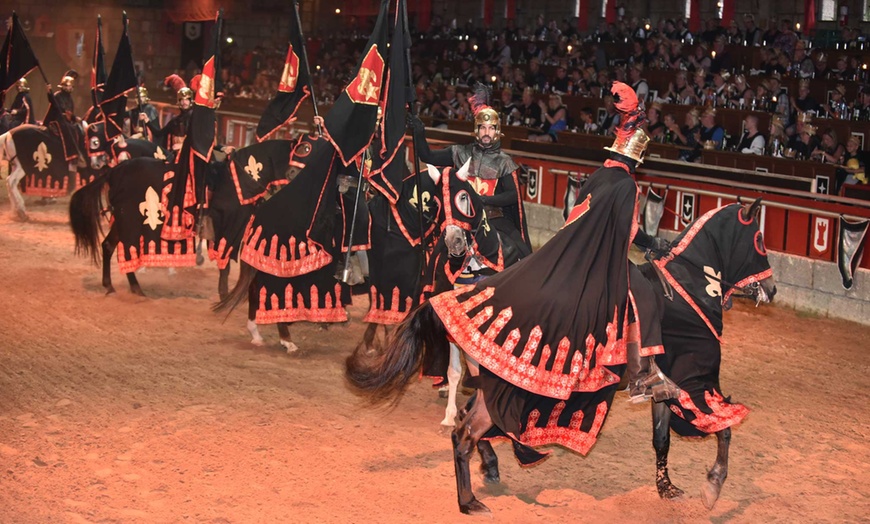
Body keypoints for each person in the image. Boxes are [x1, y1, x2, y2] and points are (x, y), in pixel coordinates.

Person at [409, 83, 531, 260]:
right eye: (483, 127)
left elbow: (513, 195)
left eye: (491, 128)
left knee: (523, 255)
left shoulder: (504, 162)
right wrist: (419, 133)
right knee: (435, 259)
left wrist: (483, 200)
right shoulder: (460, 152)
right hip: (461, 220)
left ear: (497, 131)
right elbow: (426, 156)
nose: (486, 132)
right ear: (477, 130)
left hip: (493, 218)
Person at [145, 74, 193, 157]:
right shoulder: (175, 121)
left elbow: (198, 139)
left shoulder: (194, 118)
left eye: (187, 100)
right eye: (182, 100)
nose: (184, 102)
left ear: (190, 101)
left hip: (189, 156)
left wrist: (183, 146)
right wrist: (147, 121)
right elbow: (159, 133)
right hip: (176, 155)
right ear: (178, 102)